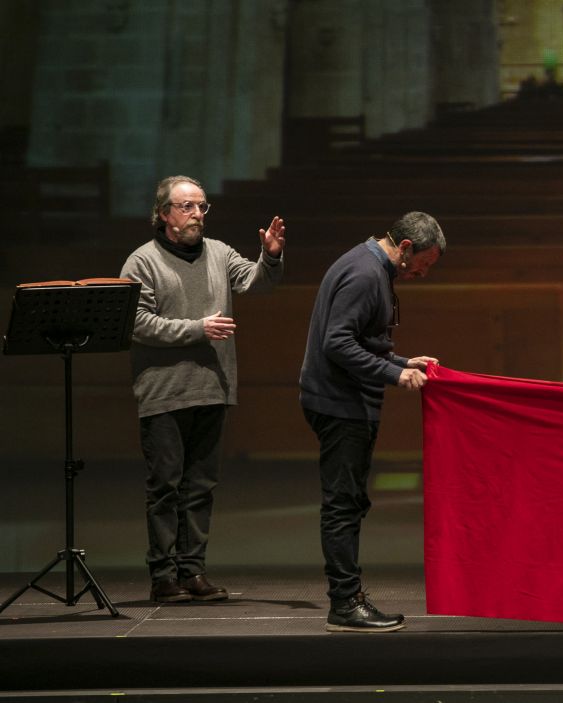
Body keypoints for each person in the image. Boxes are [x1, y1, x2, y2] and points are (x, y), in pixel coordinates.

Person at [120, 175, 286, 603]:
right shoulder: (142, 261)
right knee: (165, 486)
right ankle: (163, 576)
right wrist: (197, 328)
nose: (197, 214)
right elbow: (135, 322)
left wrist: (270, 257)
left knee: (201, 485)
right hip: (165, 391)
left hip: (212, 387)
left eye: (202, 207)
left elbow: (256, 282)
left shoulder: (219, 253)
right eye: (188, 206)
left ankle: (193, 571)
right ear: (164, 214)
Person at [299, 211, 445, 633]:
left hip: (342, 400)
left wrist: (402, 360)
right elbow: (338, 343)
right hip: (338, 404)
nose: (424, 272)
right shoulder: (366, 275)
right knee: (342, 505)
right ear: (404, 249)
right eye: (425, 262)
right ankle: (344, 603)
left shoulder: (366, 265)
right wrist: (395, 374)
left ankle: (348, 597)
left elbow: (360, 340)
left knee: (349, 502)